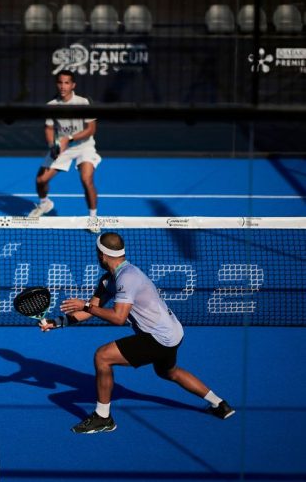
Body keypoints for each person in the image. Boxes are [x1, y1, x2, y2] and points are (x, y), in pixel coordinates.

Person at [44, 232, 235, 434]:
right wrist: (56, 322)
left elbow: (117, 318)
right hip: (173, 332)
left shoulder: (128, 278)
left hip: (158, 336)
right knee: (168, 372)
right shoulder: (109, 280)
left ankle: (103, 418)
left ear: (101, 254)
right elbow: (90, 310)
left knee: (102, 357)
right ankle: (219, 404)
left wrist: (86, 306)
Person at [28, 70, 101, 233]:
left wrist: (69, 138)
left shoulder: (83, 103)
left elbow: (91, 129)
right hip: (62, 147)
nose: (63, 86)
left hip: (84, 146)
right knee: (41, 180)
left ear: (73, 85)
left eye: (66, 83)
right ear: (57, 84)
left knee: (86, 179)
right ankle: (45, 203)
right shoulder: (52, 106)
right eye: (60, 82)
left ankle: (93, 218)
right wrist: (51, 145)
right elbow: (48, 128)